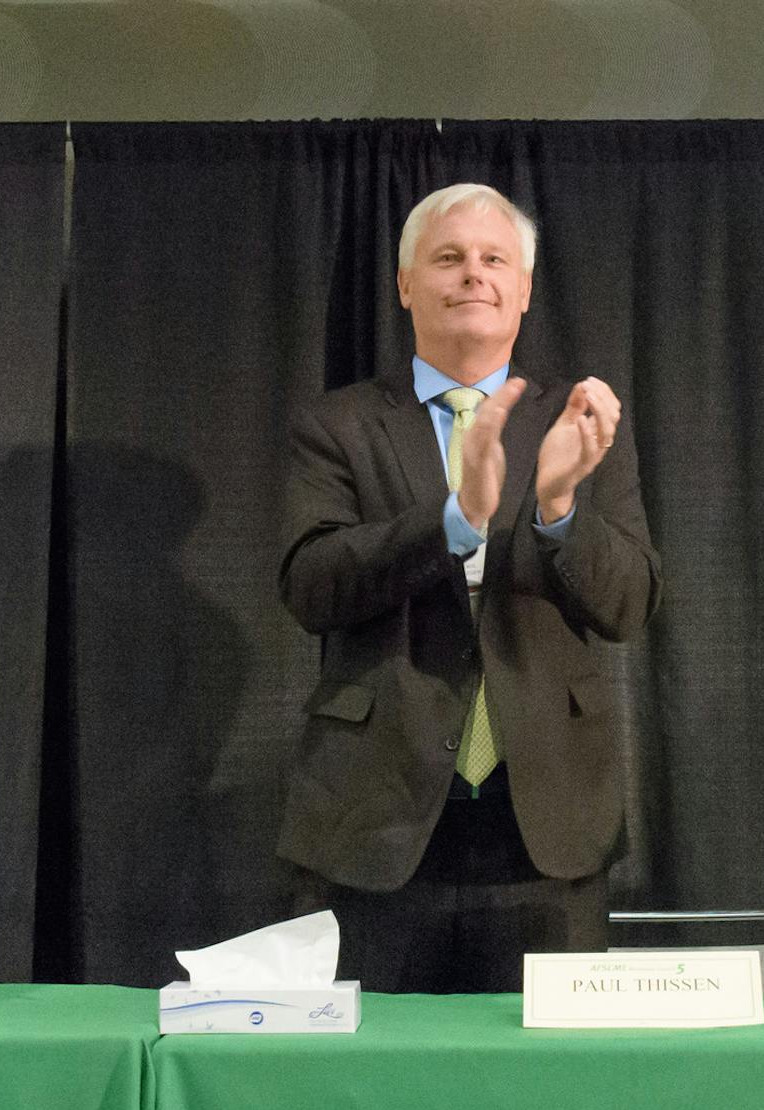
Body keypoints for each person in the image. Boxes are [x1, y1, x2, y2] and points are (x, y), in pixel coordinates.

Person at [278, 183, 661, 993]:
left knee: (542, 1109)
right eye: (447, 258)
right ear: (406, 285)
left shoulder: (579, 423)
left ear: (523, 292)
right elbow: (310, 588)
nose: (473, 274)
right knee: (368, 1105)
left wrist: (558, 509)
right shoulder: (338, 424)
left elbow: (629, 604)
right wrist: (457, 519)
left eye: (495, 260)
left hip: (548, 831)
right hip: (373, 826)